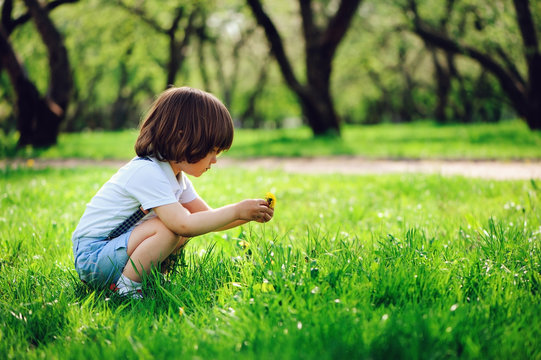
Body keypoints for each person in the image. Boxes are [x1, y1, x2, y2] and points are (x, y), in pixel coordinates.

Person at [72, 86, 274, 298]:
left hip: (113, 251)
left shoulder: (177, 177)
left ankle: (149, 279)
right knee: (170, 229)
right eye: (212, 150)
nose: (215, 160)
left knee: (179, 227)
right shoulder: (147, 171)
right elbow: (184, 224)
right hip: (93, 257)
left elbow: (206, 218)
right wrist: (236, 210)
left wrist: (249, 214)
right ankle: (127, 288)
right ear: (182, 137)